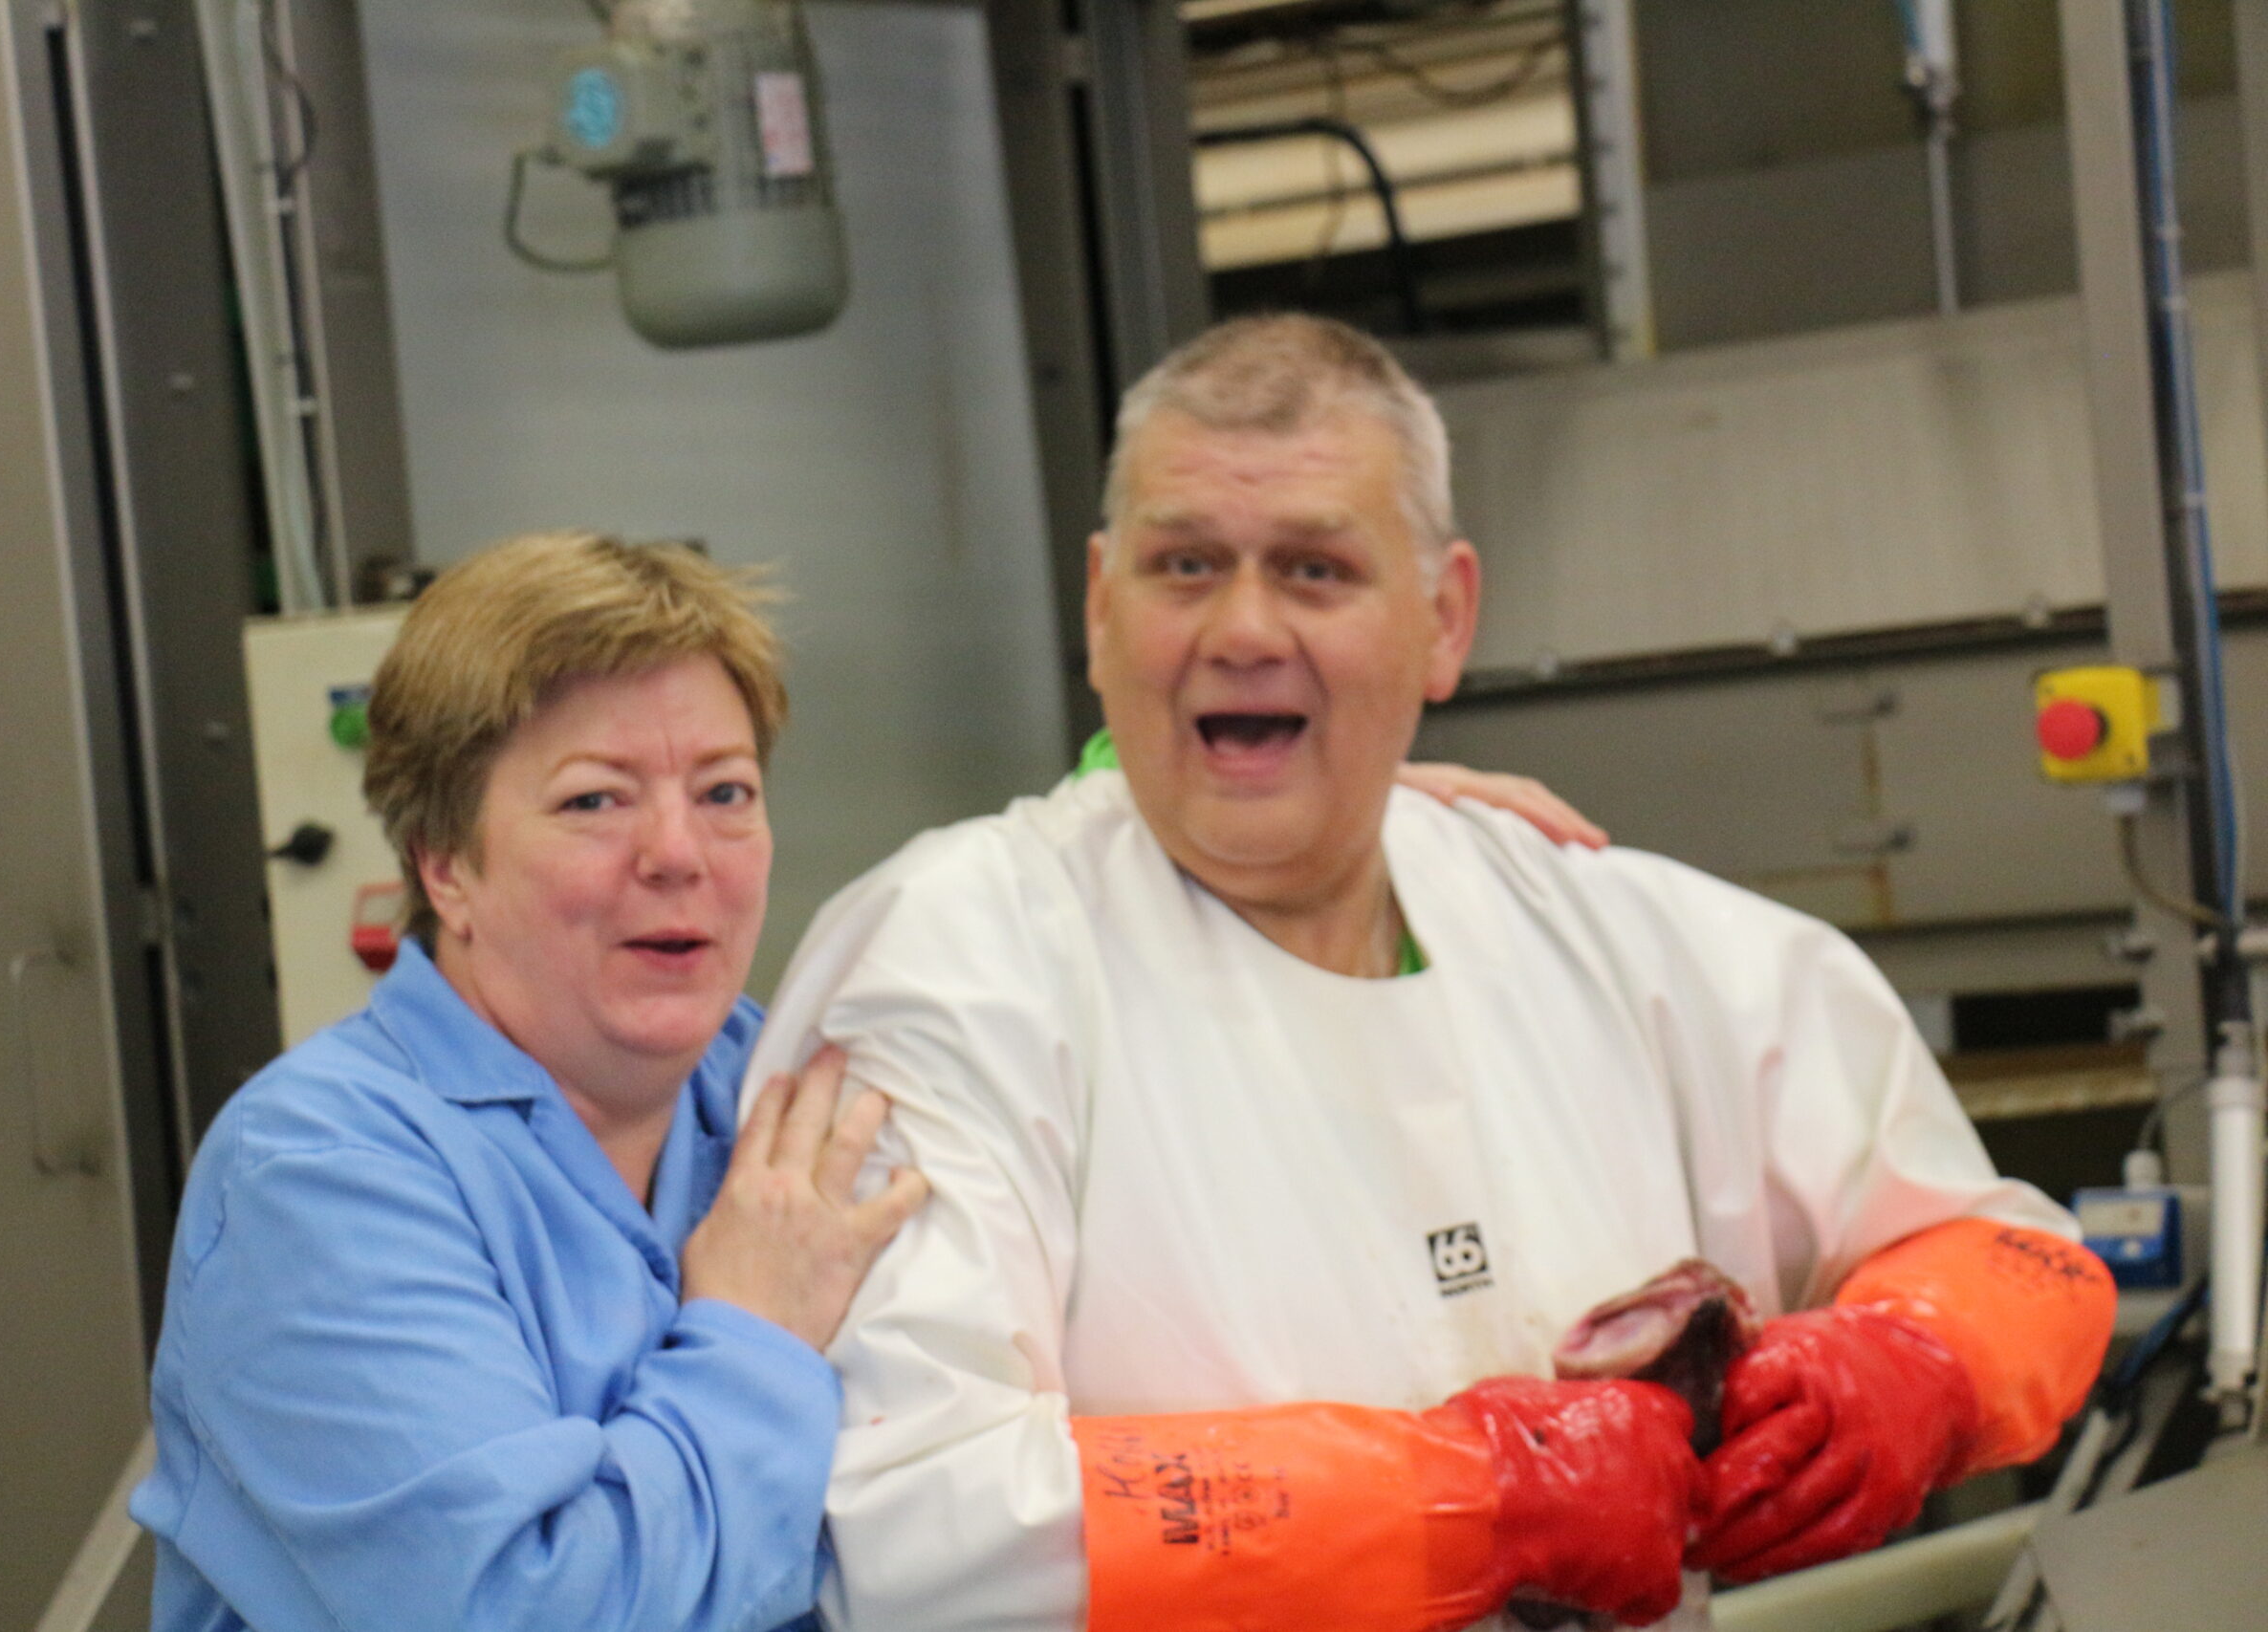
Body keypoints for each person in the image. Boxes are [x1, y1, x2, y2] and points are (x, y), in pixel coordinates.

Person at [745, 316, 2118, 1632]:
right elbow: (905, 1529)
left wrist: (1915, 1366)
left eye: (1315, 570)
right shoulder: (958, 962)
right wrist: (1469, 1503)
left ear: (1446, 619)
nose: (1242, 629)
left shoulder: (1611, 932)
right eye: (1184, 566)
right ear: (1102, 609)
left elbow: (2023, 1260)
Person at [128, 528, 1599, 1632]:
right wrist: (750, 1331)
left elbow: (1090, 1002)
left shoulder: (786, 1083)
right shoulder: (323, 1178)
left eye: (724, 791)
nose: (678, 854)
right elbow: (533, 1608)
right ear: (446, 863)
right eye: (594, 801)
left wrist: (1327, 827)